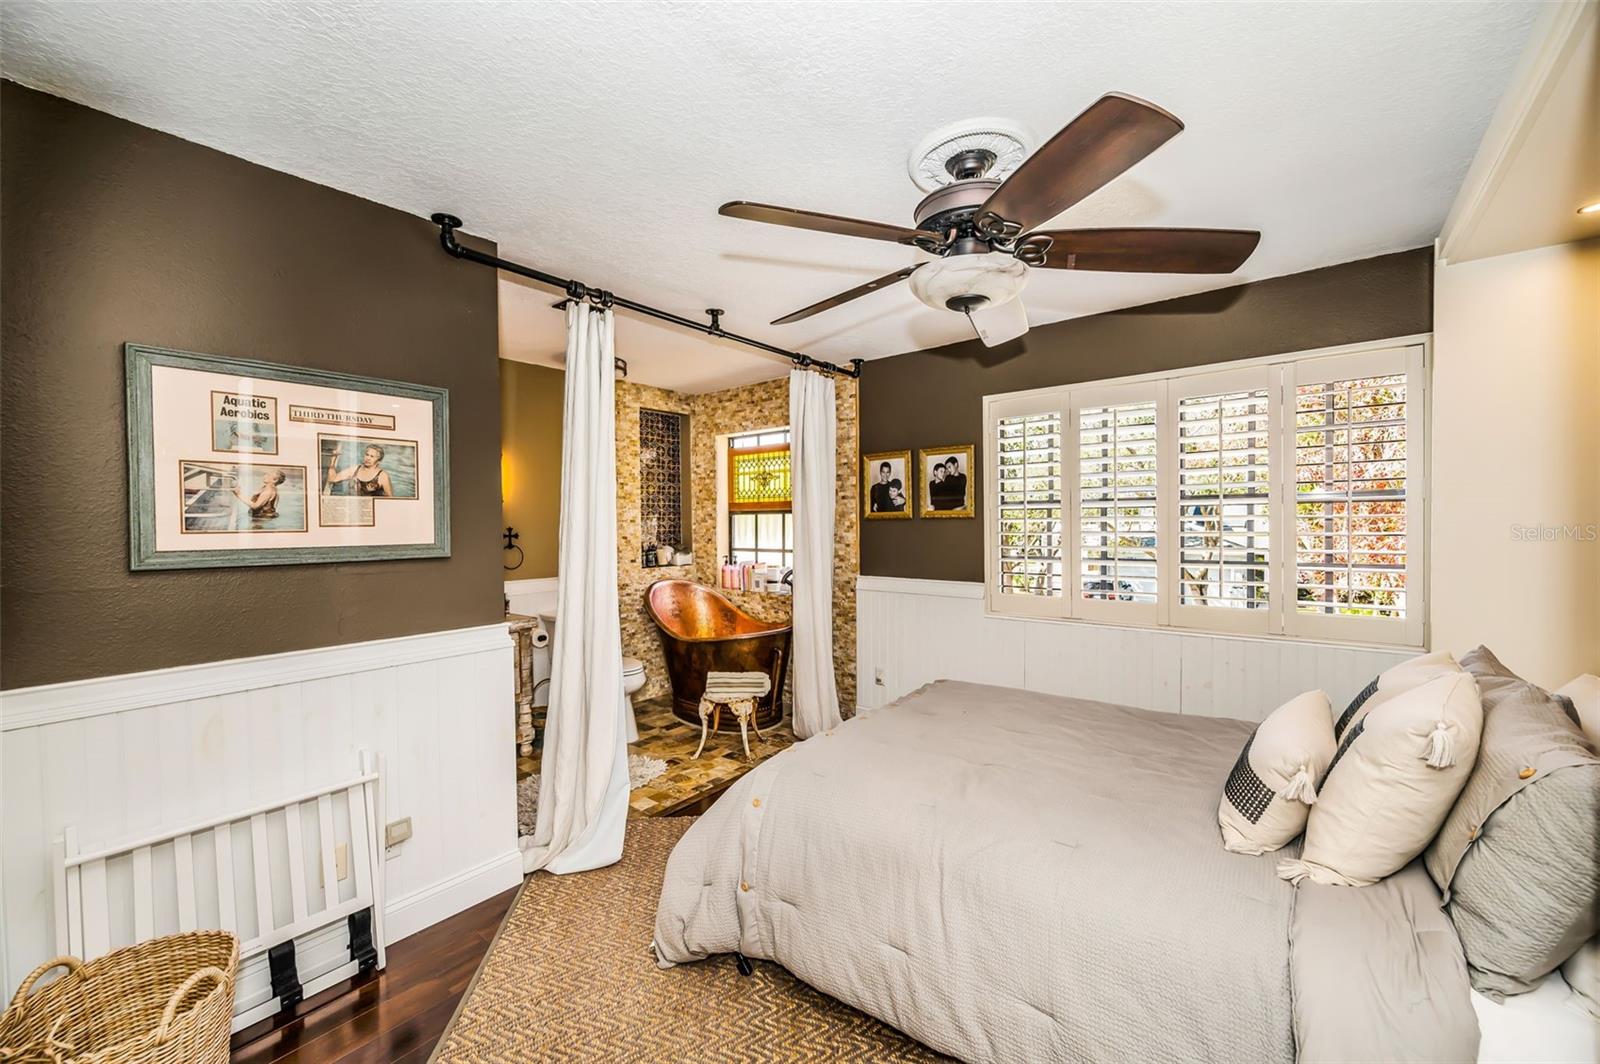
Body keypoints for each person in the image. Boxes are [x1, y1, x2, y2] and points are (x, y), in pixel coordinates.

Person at [326, 443, 394, 497]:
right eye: (367, 455)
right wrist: (333, 459)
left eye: (372, 456)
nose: (368, 458)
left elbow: (390, 498)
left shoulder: (382, 476)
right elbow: (332, 479)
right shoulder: (355, 470)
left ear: (378, 461)